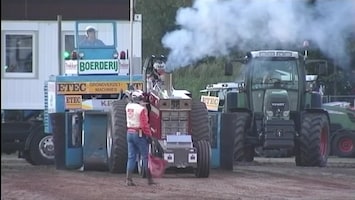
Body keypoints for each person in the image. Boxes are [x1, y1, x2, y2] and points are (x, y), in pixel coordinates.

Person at [125, 90, 156, 186]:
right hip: (139, 133)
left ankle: (128, 179)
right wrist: (149, 135)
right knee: (145, 156)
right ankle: (149, 180)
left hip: (129, 132)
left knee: (131, 157)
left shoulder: (128, 107)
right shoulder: (141, 109)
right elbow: (144, 125)